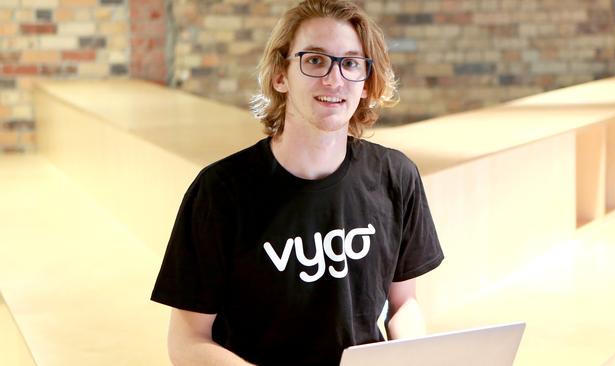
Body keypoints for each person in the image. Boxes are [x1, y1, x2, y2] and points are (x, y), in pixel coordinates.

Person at [151, 1, 444, 365]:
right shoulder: (220, 192)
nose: (334, 79)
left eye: (351, 63)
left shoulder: (396, 177)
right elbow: (187, 341)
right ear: (280, 76)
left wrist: (413, 356)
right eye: (316, 60)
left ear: (367, 83)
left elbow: (404, 303)